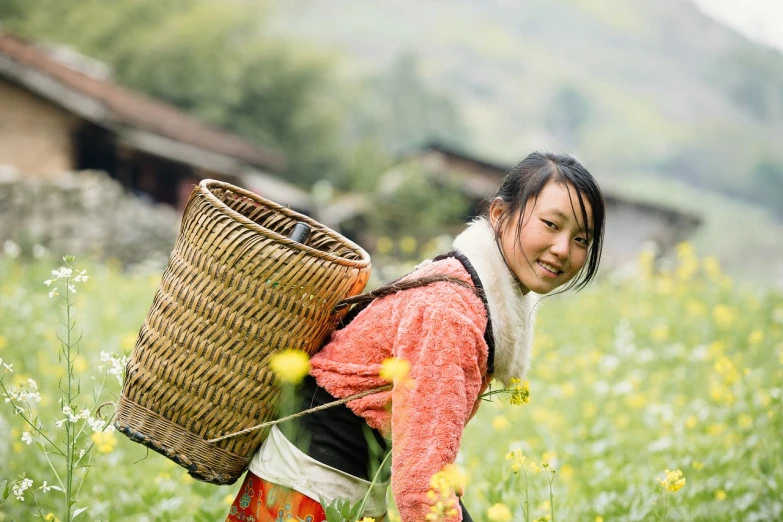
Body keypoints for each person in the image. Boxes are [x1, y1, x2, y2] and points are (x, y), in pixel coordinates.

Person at [226, 151, 606, 522]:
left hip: (333, 488)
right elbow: (423, 486)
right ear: (500, 215)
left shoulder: (470, 290)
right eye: (552, 225)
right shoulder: (452, 312)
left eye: (581, 240)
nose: (562, 250)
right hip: (308, 493)